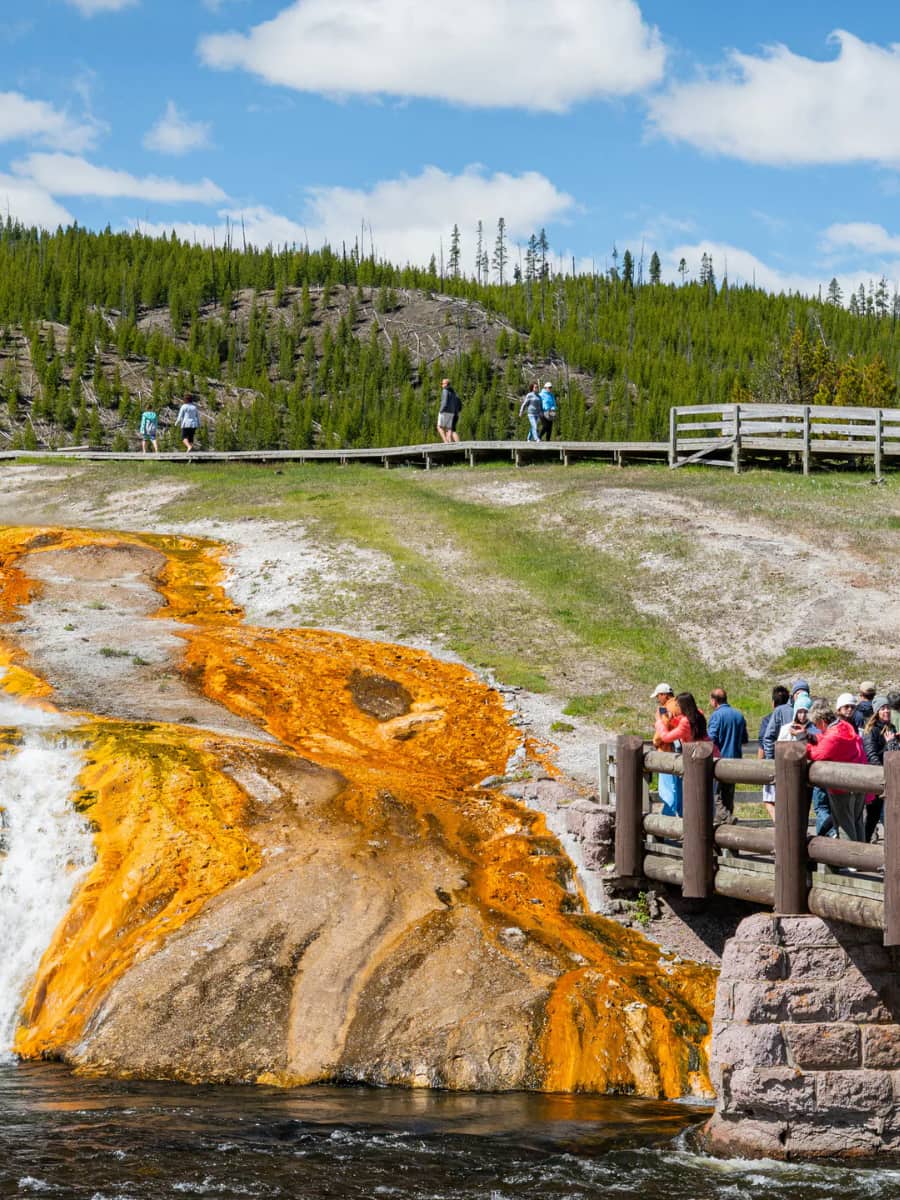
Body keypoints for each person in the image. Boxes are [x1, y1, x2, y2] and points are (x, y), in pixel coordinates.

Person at [806, 697, 870, 842]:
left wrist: (805, 743)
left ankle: (850, 861)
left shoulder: (834, 735)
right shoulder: (844, 726)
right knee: (857, 822)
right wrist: (812, 737)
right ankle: (861, 860)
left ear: (821, 721)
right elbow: (824, 740)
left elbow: (818, 753)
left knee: (844, 825)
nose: (817, 728)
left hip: (841, 787)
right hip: (859, 782)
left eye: (816, 724)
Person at [654, 692, 712, 817]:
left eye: (678, 705)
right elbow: (683, 725)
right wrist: (671, 719)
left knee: (692, 795)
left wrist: (660, 722)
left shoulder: (686, 722)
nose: (676, 707)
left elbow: (666, 737)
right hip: (706, 754)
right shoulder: (699, 714)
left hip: (694, 759)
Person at [707, 687, 749, 823]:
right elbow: (745, 739)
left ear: (714, 701)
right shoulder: (739, 715)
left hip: (719, 761)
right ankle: (728, 831)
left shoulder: (717, 715)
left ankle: (726, 818)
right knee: (728, 796)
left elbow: (710, 739)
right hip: (735, 761)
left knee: (713, 794)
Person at [862, 696, 899, 841]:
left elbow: (894, 753)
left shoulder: (891, 728)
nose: (887, 711)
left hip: (890, 776)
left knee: (880, 815)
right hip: (877, 777)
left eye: (888, 708)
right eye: (883, 708)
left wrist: (893, 743)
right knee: (875, 815)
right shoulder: (871, 730)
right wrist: (882, 775)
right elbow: (871, 754)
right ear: (877, 711)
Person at [759, 685, 790, 819]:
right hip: (790, 762)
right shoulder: (793, 715)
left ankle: (781, 826)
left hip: (772, 763)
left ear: (773, 703)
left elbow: (763, 744)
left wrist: (760, 766)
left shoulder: (767, 720)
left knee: (769, 800)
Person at [651, 684, 681, 815]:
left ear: (664, 694)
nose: (658, 699)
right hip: (680, 753)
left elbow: (663, 728)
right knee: (678, 790)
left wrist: (656, 741)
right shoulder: (680, 705)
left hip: (667, 753)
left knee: (668, 791)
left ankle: (667, 820)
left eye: (658, 696)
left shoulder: (667, 708)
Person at [763, 678, 811, 759]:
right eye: (798, 694)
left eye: (804, 694)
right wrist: (770, 759)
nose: (801, 696)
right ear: (793, 695)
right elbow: (769, 737)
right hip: (784, 760)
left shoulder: (813, 711)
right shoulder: (781, 711)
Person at [437, 378, 462, 443]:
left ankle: (447, 442)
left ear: (446, 384)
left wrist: (441, 410)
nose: (441, 385)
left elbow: (444, 402)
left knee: (441, 427)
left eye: (442, 383)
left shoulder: (445, 390)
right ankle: (451, 442)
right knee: (449, 429)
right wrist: (457, 411)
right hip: (454, 413)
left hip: (447, 412)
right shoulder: (454, 393)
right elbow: (460, 404)